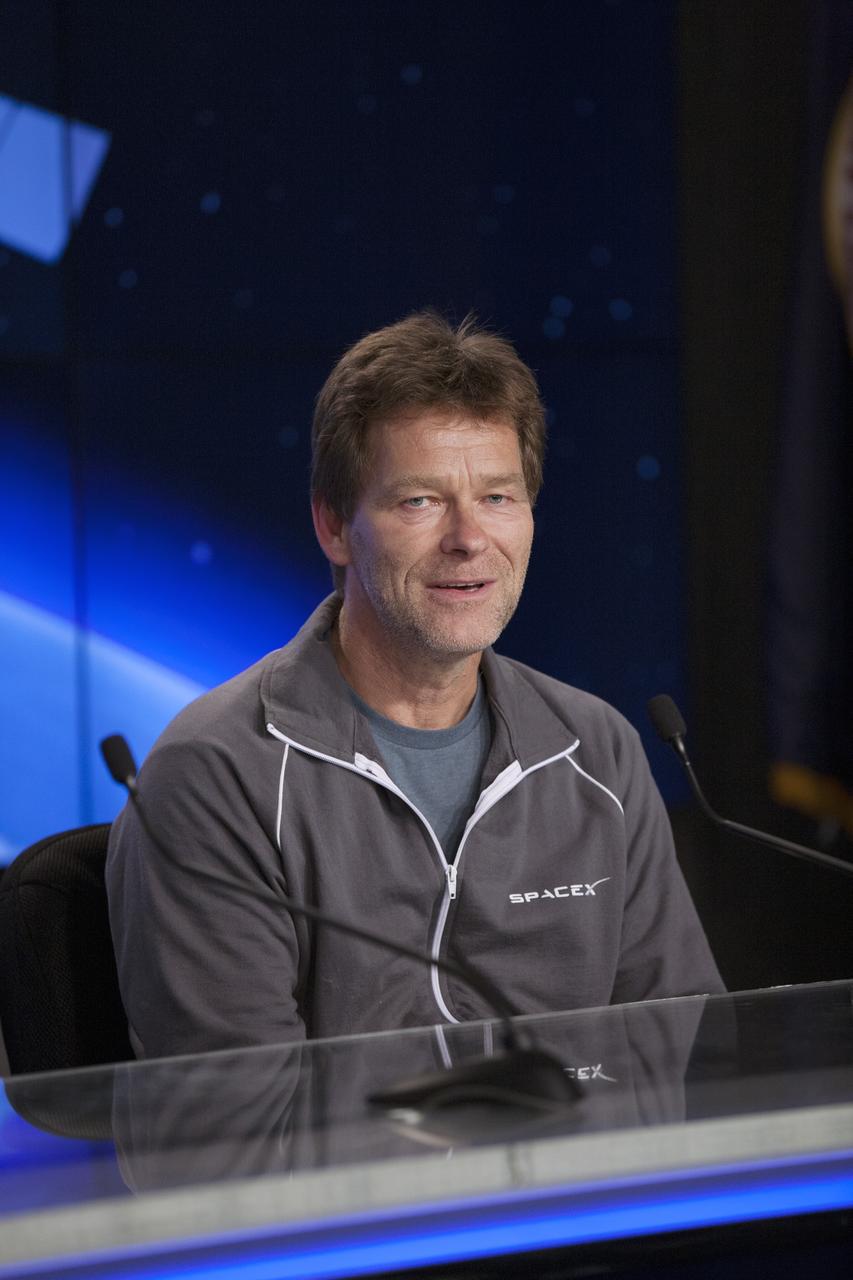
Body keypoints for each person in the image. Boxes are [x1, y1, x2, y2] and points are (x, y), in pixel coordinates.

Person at [106, 311, 723, 1059]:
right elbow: (234, 1127)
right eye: (419, 501)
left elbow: (683, 1059)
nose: (469, 538)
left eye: (497, 497)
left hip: (580, 1174)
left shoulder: (596, 752)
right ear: (334, 526)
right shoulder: (217, 774)